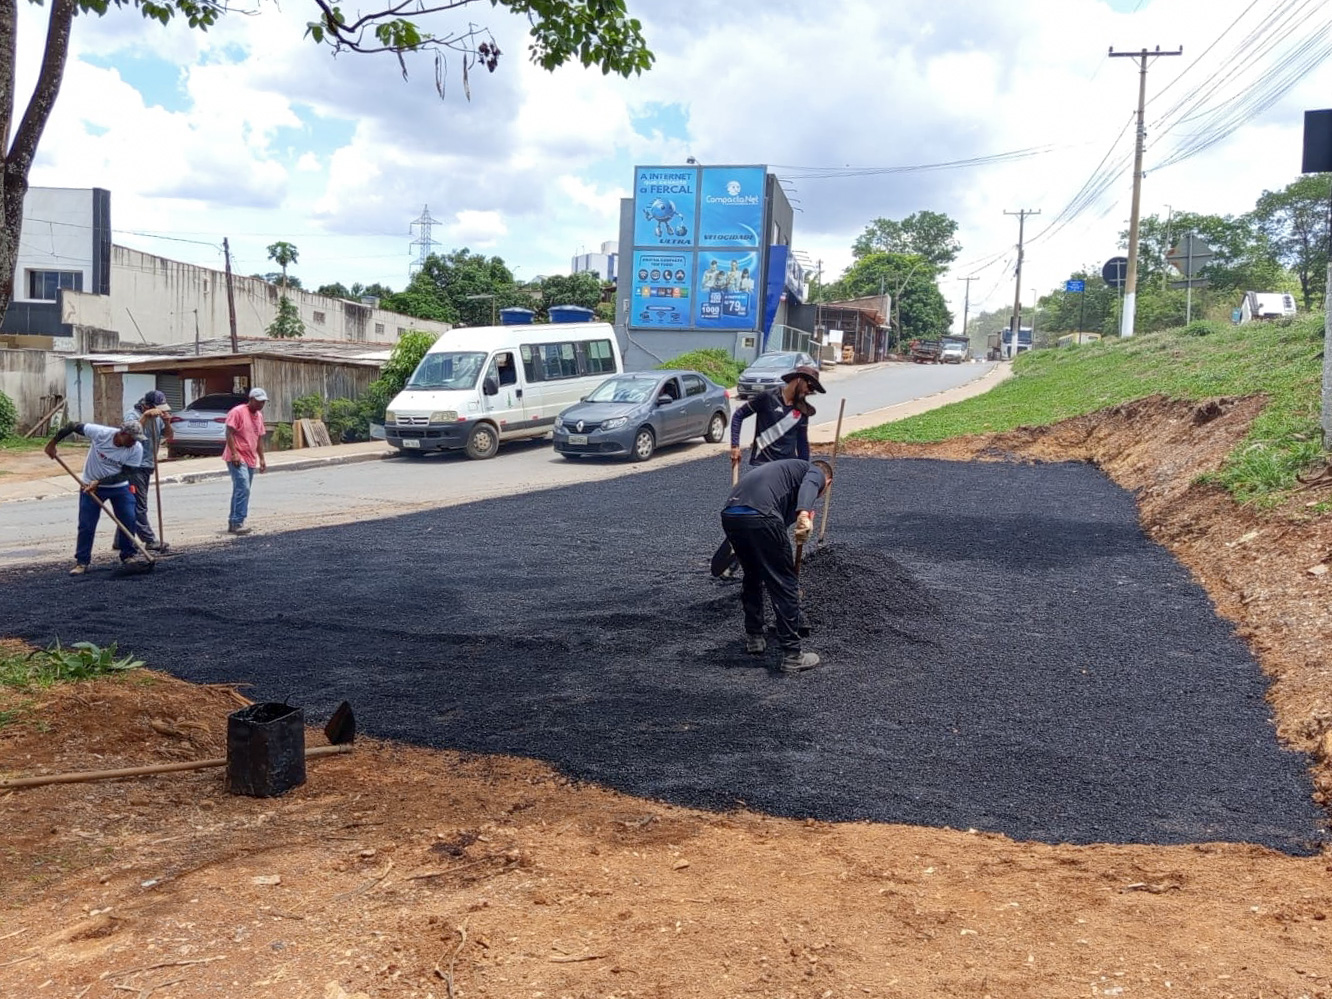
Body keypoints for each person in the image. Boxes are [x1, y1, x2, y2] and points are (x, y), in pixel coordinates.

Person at [721, 457, 832, 672]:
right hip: (761, 515)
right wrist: (804, 513)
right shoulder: (814, 471)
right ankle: (792, 655)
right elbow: (811, 483)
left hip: (731, 515)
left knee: (752, 575)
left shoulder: (782, 477)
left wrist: (800, 521)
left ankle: (754, 637)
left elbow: (774, 521)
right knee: (784, 583)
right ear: (828, 483)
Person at [44, 419, 148, 575]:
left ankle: (128, 556)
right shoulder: (101, 434)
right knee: (86, 524)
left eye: (136, 439)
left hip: (119, 487)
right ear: (122, 433)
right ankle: (82, 562)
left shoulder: (136, 449)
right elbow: (72, 426)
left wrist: (99, 482)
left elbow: (126, 474)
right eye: (132, 438)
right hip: (89, 487)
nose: (134, 442)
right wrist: (52, 443)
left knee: (128, 519)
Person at [729, 363, 825, 469]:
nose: (809, 391)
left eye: (813, 389)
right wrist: (735, 446)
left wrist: (804, 469)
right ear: (799, 380)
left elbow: (802, 445)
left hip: (786, 469)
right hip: (761, 465)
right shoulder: (768, 398)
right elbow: (739, 415)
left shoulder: (803, 411)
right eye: (809, 386)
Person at [123, 390, 174, 552]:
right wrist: (145, 417)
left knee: (132, 503)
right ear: (147, 406)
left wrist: (167, 422)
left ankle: (122, 539)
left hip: (148, 464)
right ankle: (149, 540)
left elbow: (169, 436)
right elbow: (129, 435)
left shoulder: (158, 418)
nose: (160, 412)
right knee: (139, 504)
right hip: (134, 466)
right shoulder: (132, 416)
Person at [223, 387, 268, 535]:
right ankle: (238, 522)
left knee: (240, 489)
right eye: (259, 401)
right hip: (237, 456)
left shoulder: (259, 416)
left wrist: (262, 458)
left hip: (250, 457)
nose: (261, 404)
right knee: (243, 487)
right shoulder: (237, 412)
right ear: (251, 399)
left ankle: (233, 521)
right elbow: (229, 433)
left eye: (263, 402)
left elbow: (259, 438)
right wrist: (234, 453)